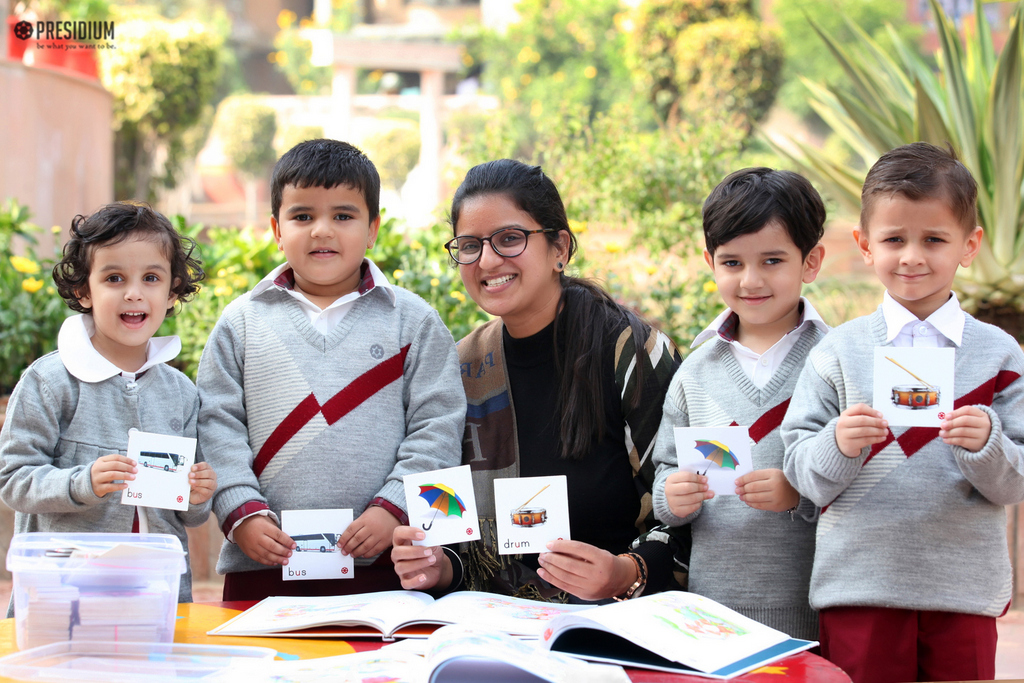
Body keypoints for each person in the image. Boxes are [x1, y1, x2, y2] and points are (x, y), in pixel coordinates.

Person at [781, 142, 1024, 683]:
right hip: (859, 587)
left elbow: (1016, 482)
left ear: (970, 244)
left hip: (963, 591)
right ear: (865, 246)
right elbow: (798, 469)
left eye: (934, 239)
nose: (912, 255)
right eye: (894, 239)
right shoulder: (837, 352)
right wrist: (838, 444)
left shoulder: (1000, 354)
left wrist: (988, 445)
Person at [392, 159, 683, 602]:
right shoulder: (465, 366)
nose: (487, 260)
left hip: (616, 631)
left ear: (559, 248)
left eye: (510, 239)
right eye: (469, 245)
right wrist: (437, 566)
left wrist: (626, 573)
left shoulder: (629, 352)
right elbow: (459, 541)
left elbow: (689, 506)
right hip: (493, 629)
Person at [197, 139, 465, 601]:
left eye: (343, 216)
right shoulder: (240, 323)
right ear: (276, 230)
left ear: (373, 229)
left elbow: (438, 425)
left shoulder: (413, 320)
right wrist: (241, 513)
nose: (322, 230)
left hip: (388, 570)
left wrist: (394, 509)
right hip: (262, 571)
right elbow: (216, 426)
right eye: (302, 216)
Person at [0, 202, 216, 605]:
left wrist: (197, 495)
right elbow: (12, 480)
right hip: (64, 597)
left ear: (171, 293)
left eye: (151, 278)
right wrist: (82, 483)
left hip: (157, 597)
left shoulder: (182, 393)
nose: (134, 293)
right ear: (84, 291)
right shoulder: (49, 381)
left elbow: (190, 516)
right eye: (114, 278)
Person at [649, 168, 826, 641]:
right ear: (710, 261)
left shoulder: (836, 361)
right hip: (713, 614)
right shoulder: (695, 371)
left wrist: (799, 494)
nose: (750, 280)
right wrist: (673, 497)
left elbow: (860, 478)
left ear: (811, 262)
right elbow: (665, 470)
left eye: (772, 260)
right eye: (731, 263)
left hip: (812, 609)